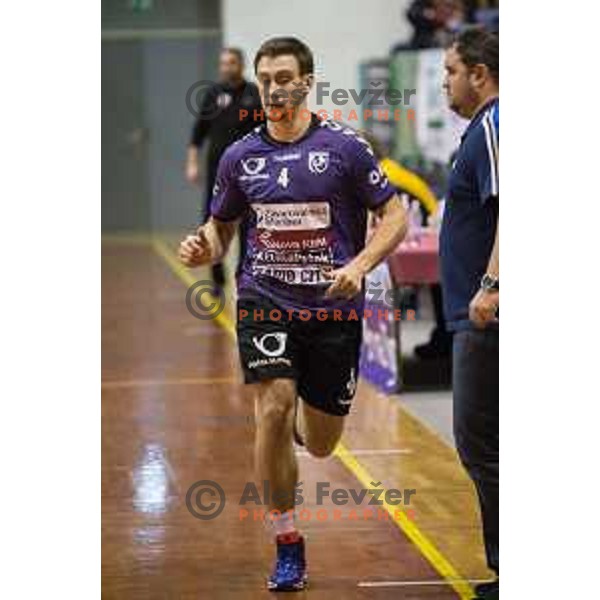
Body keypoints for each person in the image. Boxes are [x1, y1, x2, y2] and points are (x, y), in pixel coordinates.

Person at [179, 37, 408, 592]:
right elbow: (223, 226)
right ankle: (287, 543)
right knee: (273, 408)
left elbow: (395, 214)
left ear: (307, 81)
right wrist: (204, 246)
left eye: (285, 77)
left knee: (323, 442)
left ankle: (312, 422)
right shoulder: (240, 156)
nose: (275, 87)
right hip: (265, 301)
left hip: (332, 309)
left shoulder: (346, 149)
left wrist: (359, 264)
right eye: (266, 78)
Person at [440, 27, 499, 600]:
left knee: (479, 442)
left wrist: (491, 284)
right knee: (485, 444)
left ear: (478, 74)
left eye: (449, 73)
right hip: (471, 314)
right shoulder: (480, 130)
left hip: (485, 317)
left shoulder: (495, 125)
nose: (444, 86)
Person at [186, 47, 263, 290]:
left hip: (250, 172)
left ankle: (245, 276)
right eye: (223, 63)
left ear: (241, 65)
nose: (226, 67)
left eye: (231, 63)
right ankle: (217, 278)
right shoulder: (213, 93)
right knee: (214, 220)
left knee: (248, 224)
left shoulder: (254, 94)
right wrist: (192, 163)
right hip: (218, 172)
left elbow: (267, 132)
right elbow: (199, 132)